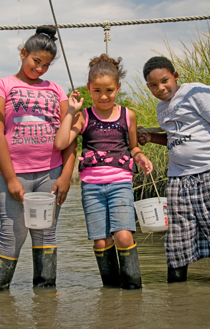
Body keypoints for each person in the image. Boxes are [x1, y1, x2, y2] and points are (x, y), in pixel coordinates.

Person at [139, 56, 210, 284]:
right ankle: (177, 291)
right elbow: (175, 138)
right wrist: (150, 137)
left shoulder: (196, 92)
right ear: (148, 87)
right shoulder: (162, 108)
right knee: (178, 232)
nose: (160, 88)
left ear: (175, 76)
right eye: (153, 85)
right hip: (179, 177)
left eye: (165, 80)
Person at [0, 25, 76, 290]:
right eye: (36, 61)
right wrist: (11, 178)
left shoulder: (56, 90)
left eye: (46, 65)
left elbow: (69, 133)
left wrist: (67, 176)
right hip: (17, 174)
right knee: (13, 234)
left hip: (51, 173)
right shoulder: (2, 85)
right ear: (23, 53)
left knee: (46, 233)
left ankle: (45, 300)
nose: (40, 69)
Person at [55, 53, 153, 290]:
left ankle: (132, 291)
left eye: (109, 90)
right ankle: (110, 295)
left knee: (123, 236)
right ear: (89, 89)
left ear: (118, 88)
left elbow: (133, 147)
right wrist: (70, 111)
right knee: (101, 242)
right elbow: (60, 143)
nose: (103, 96)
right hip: (92, 188)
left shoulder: (127, 115)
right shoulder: (83, 116)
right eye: (97, 91)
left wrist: (140, 157)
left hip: (120, 184)